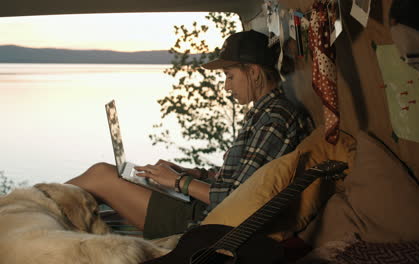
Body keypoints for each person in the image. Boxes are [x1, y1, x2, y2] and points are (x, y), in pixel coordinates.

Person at [67, 30, 314, 240]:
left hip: (206, 225)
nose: (227, 87)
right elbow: (240, 180)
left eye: (230, 77)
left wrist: (178, 182)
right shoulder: (265, 113)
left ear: (254, 72)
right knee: (108, 180)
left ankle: (31, 207)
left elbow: (234, 198)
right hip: (205, 209)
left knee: (101, 176)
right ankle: (34, 208)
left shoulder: (274, 120)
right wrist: (192, 173)